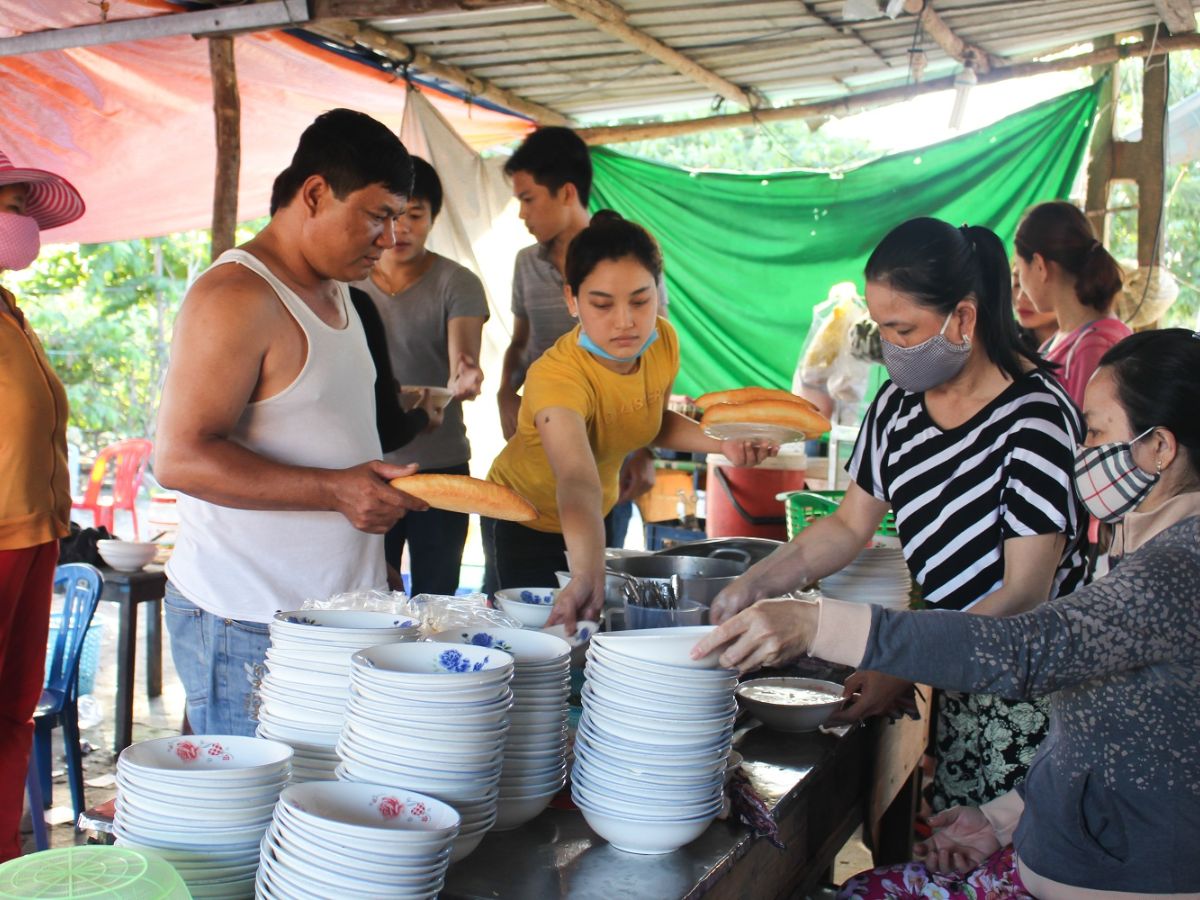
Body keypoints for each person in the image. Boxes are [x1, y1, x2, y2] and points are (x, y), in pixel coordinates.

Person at [696, 328, 1200, 899]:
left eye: (1094, 430)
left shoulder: (1177, 569)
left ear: (1159, 448)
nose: (1080, 448)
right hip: (1057, 859)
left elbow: (1026, 647)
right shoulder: (1139, 546)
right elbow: (1105, 740)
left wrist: (818, 622)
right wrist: (1003, 819)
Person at [710, 217, 1087, 812]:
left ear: (963, 317)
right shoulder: (896, 408)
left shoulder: (1036, 419)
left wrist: (905, 664)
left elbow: (1023, 594)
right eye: (882, 329)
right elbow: (846, 525)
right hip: (954, 675)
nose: (892, 350)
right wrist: (751, 586)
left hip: (1030, 696)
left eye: (904, 330)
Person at [155, 110, 425, 737]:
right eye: (378, 215)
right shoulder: (236, 297)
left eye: (398, 219)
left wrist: (367, 559)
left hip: (337, 614)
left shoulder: (342, 297)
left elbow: (328, 434)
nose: (389, 238)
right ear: (314, 194)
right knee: (257, 823)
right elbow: (181, 459)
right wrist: (338, 492)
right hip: (248, 620)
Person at [484, 212, 776, 632]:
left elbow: (648, 421)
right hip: (522, 517)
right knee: (536, 641)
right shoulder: (557, 377)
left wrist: (722, 442)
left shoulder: (662, 344)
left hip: (592, 514)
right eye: (602, 304)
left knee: (587, 634)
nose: (625, 321)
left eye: (640, 301)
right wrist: (586, 573)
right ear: (572, 300)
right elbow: (575, 476)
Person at [497, 127, 664, 547]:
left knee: (596, 574)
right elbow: (522, 340)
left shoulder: (629, 256)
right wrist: (504, 392)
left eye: (528, 199)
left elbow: (654, 353)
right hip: (539, 457)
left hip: (610, 459)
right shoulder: (526, 264)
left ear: (567, 192)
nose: (522, 214)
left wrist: (646, 450)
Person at [351, 157, 487, 597]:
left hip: (442, 465)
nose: (402, 229)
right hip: (369, 464)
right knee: (370, 594)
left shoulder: (457, 282)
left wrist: (465, 374)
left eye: (416, 215)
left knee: (437, 595)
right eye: (392, 216)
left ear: (433, 218)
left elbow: (462, 358)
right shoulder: (347, 285)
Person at [0, 151, 84, 861]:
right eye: (8, 203)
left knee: (11, 715)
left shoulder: (10, 309)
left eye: (23, 204)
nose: (21, 221)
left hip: (31, 536)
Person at [1014, 200, 1129, 406]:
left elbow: (1083, 433)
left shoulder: (1095, 347)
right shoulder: (1061, 339)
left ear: (1040, 266)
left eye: (1020, 271)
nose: (1020, 290)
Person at [1011, 265, 1056, 353]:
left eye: (1036, 284)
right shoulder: (1002, 341)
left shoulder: (1084, 344)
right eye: (1017, 284)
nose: (1020, 297)